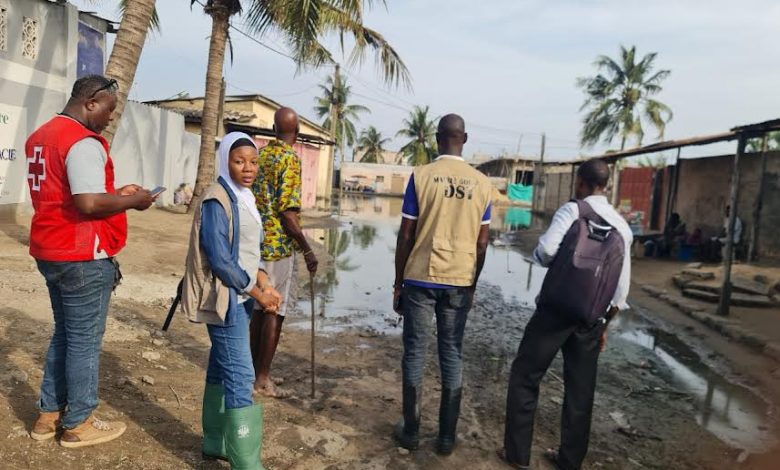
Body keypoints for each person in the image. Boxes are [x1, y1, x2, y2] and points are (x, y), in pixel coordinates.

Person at [25, 75, 155, 447]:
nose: (110, 119)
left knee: (64, 334)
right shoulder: (82, 142)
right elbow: (88, 204)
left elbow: (69, 194)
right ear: (91, 103)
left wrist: (116, 193)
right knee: (83, 341)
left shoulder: (42, 136)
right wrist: (135, 200)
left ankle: (48, 416)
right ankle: (79, 422)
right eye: (109, 111)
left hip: (49, 249)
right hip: (81, 254)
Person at [501, 158, 633, 470]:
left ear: (580, 183)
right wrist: (603, 328)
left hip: (554, 311)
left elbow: (546, 250)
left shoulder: (573, 210)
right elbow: (620, 292)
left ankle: (518, 456)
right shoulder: (622, 227)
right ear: (607, 186)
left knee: (526, 376)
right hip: (590, 319)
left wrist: (538, 258)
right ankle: (569, 461)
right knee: (580, 391)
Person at [181, 132, 282, 469]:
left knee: (221, 369)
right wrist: (257, 293)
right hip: (225, 299)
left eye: (253, 162)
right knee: (240, 376)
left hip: (243, 296)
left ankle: (215, 441)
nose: (248, 168)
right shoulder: (216, 198)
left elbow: (249, 252)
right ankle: (247, 462)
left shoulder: (245, 197)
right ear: (226, 160)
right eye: (239, 161)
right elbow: (221, 259)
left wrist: (265, 282)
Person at [393, 114, 492, 456]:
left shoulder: (421, 176)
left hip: (420, 276)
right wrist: (473, 284)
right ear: (464, 138)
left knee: (415, 351)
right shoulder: (482, 184)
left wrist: (398, 282)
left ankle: (410, 430)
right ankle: (446, 438)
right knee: (451, 352)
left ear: (437, 139)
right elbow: (482, 244)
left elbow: (406, 234)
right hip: (459, 279)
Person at [250, 108, 318, 398]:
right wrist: (307, 250)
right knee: (274, 312)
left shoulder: (261, 155)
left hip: (256, 242)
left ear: (273, 127)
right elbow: (288, 215)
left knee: (257, 308)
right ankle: (262, 379)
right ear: (298, 131)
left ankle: (254, 372)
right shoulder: (290, 159)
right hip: (278, 248)